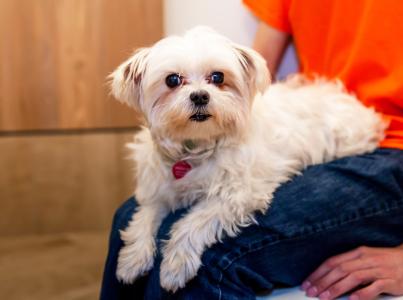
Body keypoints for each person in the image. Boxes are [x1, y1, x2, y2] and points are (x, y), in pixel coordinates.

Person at [100, 1, 403, 299]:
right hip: (328, 113)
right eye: (174, 81)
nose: (200, 94)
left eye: (215, 79)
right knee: (125, 219)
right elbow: (257, 69)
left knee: (210, 260)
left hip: (380, 147)